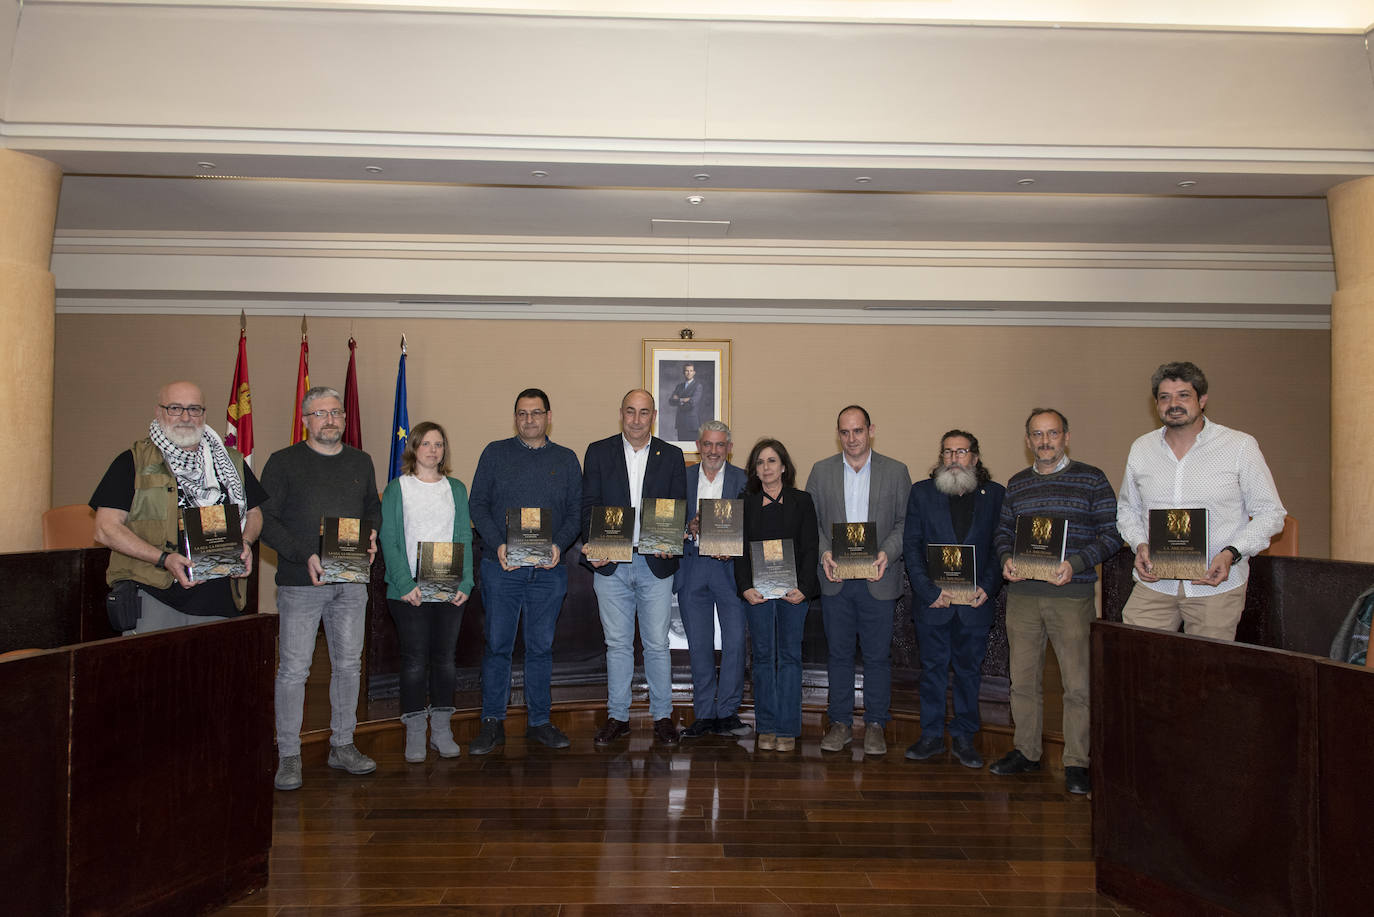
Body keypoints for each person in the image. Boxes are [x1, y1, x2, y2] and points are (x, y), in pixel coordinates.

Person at [991, 409, 1121, 796]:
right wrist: (1005, 560)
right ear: (1027, 439)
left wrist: (1075, 563)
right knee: (1023, 682)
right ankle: (1026, 752)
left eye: (1052, 434)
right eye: (1036, 434)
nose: (1044, 441)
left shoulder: (1091, 479)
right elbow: (1002, 532)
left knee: (1077, 684)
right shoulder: (1016, 484)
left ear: (1066, 436)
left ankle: (1078, 761)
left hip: (1071, 595)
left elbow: (1113, 535)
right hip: (1024, 598)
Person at [261, 386, 382, 791]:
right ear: (305, 420)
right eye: (320, 413)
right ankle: (289, 754)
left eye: (336, 413)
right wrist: (304, 554)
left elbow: (371, 507)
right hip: (301, 583)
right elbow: (267, 522)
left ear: (344, 419)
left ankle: (343, 745)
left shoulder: (361, 462)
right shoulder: (282, 463)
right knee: (295, 670)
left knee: (349, 666)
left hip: (350, 582)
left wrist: (373, 535)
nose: (329, 420)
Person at [1116, 361, 1286, 641]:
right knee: (1138, 668)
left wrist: (1231, 553)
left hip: (1215, 587)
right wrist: (1140, 544)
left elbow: (1271, 513)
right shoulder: (1141, 448)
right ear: (1156, 403)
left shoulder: (1239, 446)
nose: (1174, 404)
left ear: (1202, 399)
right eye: (1165, 397)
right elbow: (1127, 510)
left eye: (1184, 395)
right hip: (1155, 585)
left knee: (1207, 677)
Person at [91, 380, 265, 634]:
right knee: (154, 674)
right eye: (175, 408)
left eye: (194, 409)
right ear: (159, 411)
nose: (186, 417)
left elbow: (255, 512)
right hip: (154, 593)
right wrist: (163, 559)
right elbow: (105, 529)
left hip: (218, 596)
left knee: (215, 674)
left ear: (204, 414)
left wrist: (246, 542)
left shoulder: (231, 462)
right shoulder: (132, 461)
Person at [467, 388, 582, 754]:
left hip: (548, 571)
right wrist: (499, 544)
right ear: (515, 417)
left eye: (535, 413)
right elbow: (478, 504)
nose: (529, 419)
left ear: (549, 416)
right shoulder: (495, 453)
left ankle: (539, 722)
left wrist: (558, 545)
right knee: (497, 646)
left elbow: (577, 512)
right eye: (522, 413)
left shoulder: (566, 459)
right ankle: (491, 722)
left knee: (540, 649)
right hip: (501, 567)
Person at [582, 389, 687, 747]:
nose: (637, 419)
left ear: (653, 416)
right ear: (621, 414)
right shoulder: (599, 451)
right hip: (611, 562)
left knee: (657, 644)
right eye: (630, 411)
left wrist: (669, 543)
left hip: (654, 563)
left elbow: (678, 507)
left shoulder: (671, 456)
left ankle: (662, 717)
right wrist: (594, 546)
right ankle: (618, 716)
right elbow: (589, 505)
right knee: (617, 645)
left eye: (644, 413)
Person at [805, 405, 911, 756]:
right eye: (845, 432)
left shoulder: (896, 472)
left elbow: (905, 523)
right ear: (838, 434)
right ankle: (840, 723)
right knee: (838, 654)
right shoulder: (821, 472)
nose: (851, 439)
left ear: (871, 430)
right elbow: (813, 524)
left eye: (858, 431)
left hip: (877, 577)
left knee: (878, 656)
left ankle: (877, 723)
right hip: (836, 579)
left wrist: (887, 553)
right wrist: (824, 553)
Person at [902, 430, 1005, 768]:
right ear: (940, 458)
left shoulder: (995, 495)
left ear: (975, 458)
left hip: (975, 603)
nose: (954, 458)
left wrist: (987, 587)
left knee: (968, 672)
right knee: (931, 671)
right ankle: (931, 735)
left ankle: (964, 738)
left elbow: (998, 548)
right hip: (935, 603)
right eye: (948, 452)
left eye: (961, 452)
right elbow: (912, 547)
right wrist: (928, 592)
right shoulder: (922, 493)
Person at [379, 421, 474, 764]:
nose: (433, 450)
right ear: (414, 448)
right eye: (426, 444)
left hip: (450, 591)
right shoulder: (397, 489)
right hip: (408, 592)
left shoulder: (457, 488)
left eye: (439, 444)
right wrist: (405, 584)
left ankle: (443, 730)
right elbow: (389, 540)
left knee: (445, 660)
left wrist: (465, 582)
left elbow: (463, 534)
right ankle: (416, 732)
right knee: (415, 661)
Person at [735, 438, 820, 753]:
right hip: (757, 593)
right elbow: (740, 551)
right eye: (760, 462)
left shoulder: (803, 501)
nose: (766, 467)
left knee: (789, 657)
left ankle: (787, 728)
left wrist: (806, 588)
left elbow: (811, 548)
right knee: (762, 657)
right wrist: (745, 587)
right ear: (754, 470)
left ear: (784, 466)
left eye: (771, 461)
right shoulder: (745, 503)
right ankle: (766, 726)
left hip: (793, 592)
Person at [676, 420, 752, 739]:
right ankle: (705, 713)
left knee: (735, 642)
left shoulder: (744, 480)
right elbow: (665, 521)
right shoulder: (682, 478)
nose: (713, 451)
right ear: (698, 445)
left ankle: (728, 713)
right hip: (693, 566)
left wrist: (733, 543)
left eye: (720, 445)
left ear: (729, 449)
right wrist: (687, 528)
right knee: (699, 645)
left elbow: (754, 527)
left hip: (729, 571)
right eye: (708, 444)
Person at [667, 362, 706, 441]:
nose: (689, 373)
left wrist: (678, 399)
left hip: (692, 423)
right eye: (686, 371)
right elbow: (671, 401)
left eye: (691, 371)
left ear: (694, 373)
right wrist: (684, 399)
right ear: (683, 372)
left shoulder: (698, 386)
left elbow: (692, 403)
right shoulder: (679, 386)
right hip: (680, 422)